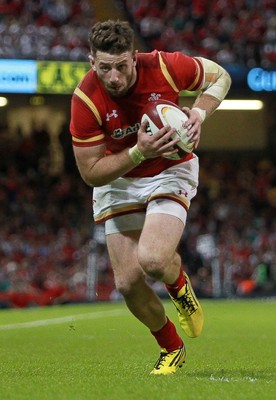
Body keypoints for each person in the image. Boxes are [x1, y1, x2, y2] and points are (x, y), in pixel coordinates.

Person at [70, 19, 231, 375]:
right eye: (105, 67)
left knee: (154, 260)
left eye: (122, 66)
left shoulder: (164, 66)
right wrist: (137, 153)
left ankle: (180, 287)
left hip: (169, 168)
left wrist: (199, 113)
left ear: (134, 57)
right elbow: (89, 172)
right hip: (120, 177)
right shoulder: (85, 99)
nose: (114, 77)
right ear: (91, 62)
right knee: (127, 283)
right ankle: (171, 347)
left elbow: (221, 76)